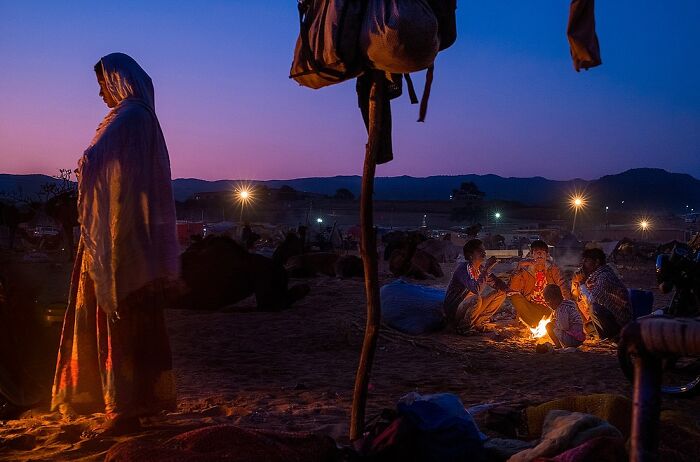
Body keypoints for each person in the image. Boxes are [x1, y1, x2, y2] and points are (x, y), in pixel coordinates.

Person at [51, 53, 179, 435]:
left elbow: (95, 162)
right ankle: (139, 401)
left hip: (118, 237)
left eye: (103, 85)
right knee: (136, 315)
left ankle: (122, 407)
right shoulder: (145, 119)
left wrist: (85, 164)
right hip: (133, 235)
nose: (101, 94)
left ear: (118, 81)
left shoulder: (130, 117)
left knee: (116, 313)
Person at [444, 239, 507, 334]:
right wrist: (486, 268)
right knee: (476, 298)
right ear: (470, 255)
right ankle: (464, 327)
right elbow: (476, 289)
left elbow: (495, 283)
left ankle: (478, 323)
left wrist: (509, 289)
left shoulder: (479, 269)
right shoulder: (463, 269)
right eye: (480, 251)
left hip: (471, 308)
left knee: (501, 293)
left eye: (484, 250)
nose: (484, 253)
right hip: (456, 310)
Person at [571, 248, 632, 340]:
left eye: (587, 261)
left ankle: (609, 336)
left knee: (595, 308)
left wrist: (582, 282)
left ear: (597, 262)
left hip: (620, 321)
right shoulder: (596, 276)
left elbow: (591, 300)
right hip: (610, 317)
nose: (584, 265)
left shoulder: (604, 277)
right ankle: (602, 333)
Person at [509, 240, 571, 327]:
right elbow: (513, 289)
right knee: (515, 297)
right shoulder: (525, 270)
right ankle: (535, 322)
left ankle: (539, 323)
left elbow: (563, 287)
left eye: (542, 252)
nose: (539, 254)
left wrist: (566, 309)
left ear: (547, 255)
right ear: (531, 255)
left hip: (550, 308)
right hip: (531, 307)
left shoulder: (553, 269)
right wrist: (519, 267)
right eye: (536, 252)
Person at [543, 284, 585, 348]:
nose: (549, 306)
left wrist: (555, 323)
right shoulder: (568, 304)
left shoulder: (561, 309)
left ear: (554, 299)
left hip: (572, 339)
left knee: (549, 326)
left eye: (548, 303)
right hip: (578, 339)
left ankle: (559, 347)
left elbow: (564, 327)